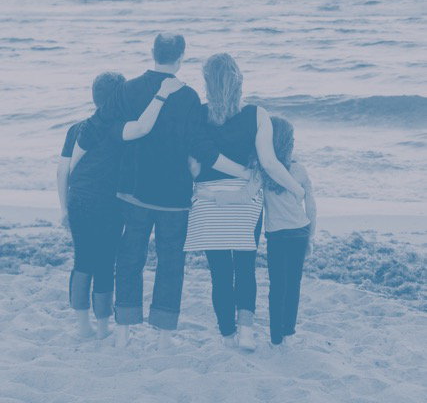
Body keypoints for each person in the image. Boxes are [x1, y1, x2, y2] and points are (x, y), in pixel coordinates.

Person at [71, 34, 251, 349]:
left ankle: (124, 332)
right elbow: (202, 148)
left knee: (129, 259)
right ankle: (165, 337)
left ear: (152, 53)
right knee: (170, 264)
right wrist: (243, 172)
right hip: (174, 198)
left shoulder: (128, 89)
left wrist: (73, 166)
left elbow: (95, 126)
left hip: (133, 193)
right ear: (181, 57)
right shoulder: (189, 97)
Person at [183, 54, 306, 351]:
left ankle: (227, 335)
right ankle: (246, 332)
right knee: (246, 266)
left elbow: (194, 167)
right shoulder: (257, 114)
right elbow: (269, 163)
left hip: (208, 200)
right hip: (246, 199)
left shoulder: (198, 115)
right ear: (239, 81)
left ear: (208, 83)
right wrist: (296, 189)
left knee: (220, 272)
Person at [57, 71, 183, 340]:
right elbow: (142, 128)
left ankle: (82, 326)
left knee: (82, 261)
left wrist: (64, 207)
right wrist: (162, 95)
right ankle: (103, 327)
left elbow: (62, 171)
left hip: (78, 200)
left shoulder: (77, 128)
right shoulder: (118, 128)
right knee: (104, 264)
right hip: (108, 205)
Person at [262, 117, 316, 347]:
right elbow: (311, 206)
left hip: (276, 234)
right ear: (289, 143)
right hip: (299, 232)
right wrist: (311, 236)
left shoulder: (264, 171)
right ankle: (288, 334)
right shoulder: (299, 169)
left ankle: (275, 336)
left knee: (277, 285)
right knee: (294, 283)